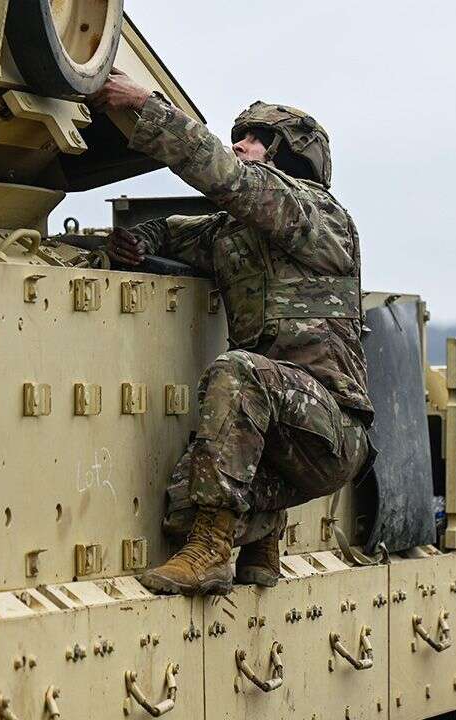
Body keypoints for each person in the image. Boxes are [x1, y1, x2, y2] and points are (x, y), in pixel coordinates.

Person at [90, 71, 373, 595]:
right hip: (279, 432)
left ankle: (214, 552)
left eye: (255, 139)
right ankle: (261, 543)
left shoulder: (319, 217)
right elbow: (176, 233)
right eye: (238, 136)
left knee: (240, 373)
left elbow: (229, 179)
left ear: (288, 156)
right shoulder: (232, 235)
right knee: (179, 505)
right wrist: (137, 241)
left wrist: (145, 106)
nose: (239, 145)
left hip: (332, 428)